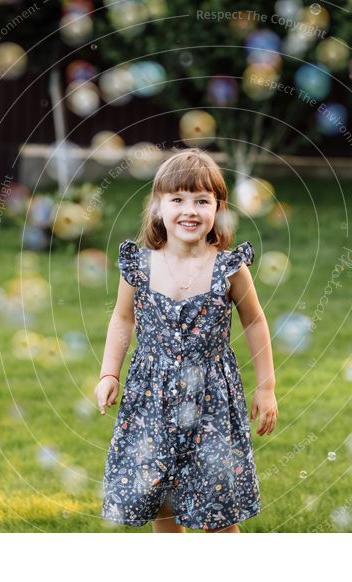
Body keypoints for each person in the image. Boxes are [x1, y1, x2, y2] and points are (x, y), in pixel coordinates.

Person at [95, 148, 277, 533]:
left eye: (201, 200)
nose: (189, 210)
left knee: (217, 503)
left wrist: (266, 387)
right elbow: (122, 318)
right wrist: (109, 373)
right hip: (151, 398)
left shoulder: (229, 267)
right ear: (158, 207)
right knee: (161, 498)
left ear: (218, 208)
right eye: (177, 199)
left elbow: (255, 322)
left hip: (211, 397)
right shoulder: (139, 266)